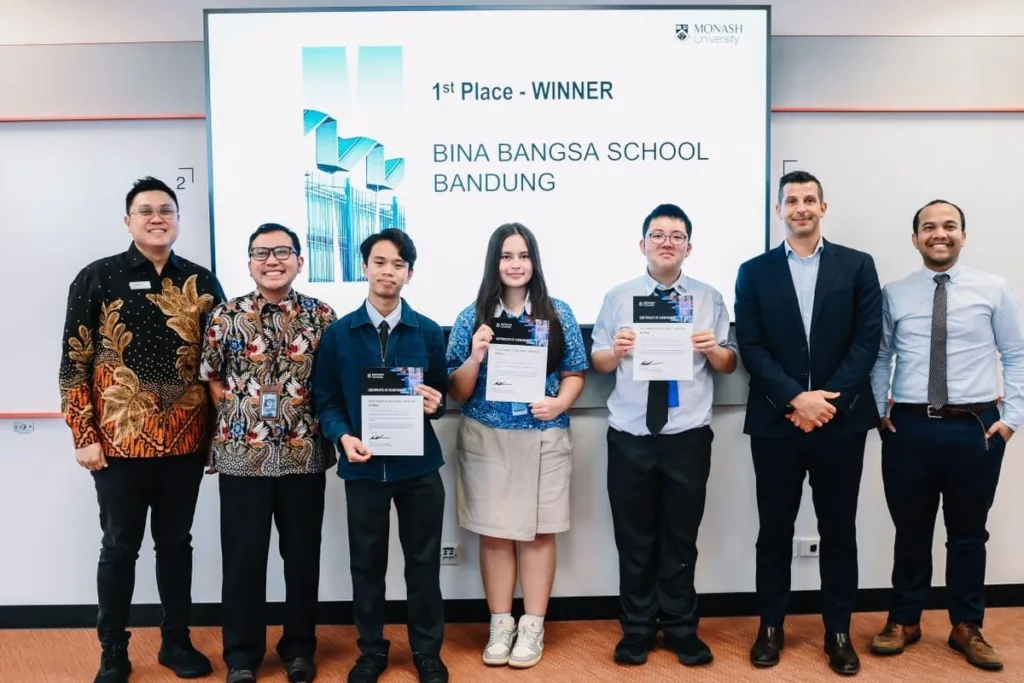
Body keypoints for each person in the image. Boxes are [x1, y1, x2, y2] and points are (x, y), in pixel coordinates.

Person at [58, 176, 225, 683]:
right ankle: (113, 649)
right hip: (117, 442)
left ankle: (176, 642)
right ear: (128, 221)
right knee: (119, 547)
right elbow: (74, 361)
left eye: (166, 210)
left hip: (185, 441)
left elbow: (217, 368)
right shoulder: (97, 277)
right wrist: (83, 434)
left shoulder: (201, 281)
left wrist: (215, 437)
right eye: (146, 211)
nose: (157, 218)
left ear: (178, 220)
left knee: (176, 545)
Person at [734, 170, 882, 676]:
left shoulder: (857, 265)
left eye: (809, 199)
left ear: (823, 207)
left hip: (840, 424)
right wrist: (796, 399)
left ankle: (838, 631)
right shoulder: (753, 271)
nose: (801, 207)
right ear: (779, 210)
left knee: (839, 530)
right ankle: (770, 626)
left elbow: (867, 340)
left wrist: (825, 403)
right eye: (791, 200)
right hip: (777, 423)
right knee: (773, 530)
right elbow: (751, 345)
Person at [868, 200, 1024, 672]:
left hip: (974, 428)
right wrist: (879, 412)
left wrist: (1011, 420)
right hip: (909, 426)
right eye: (930, 227)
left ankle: (967, 625)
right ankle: (904, 619)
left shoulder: (993, 289)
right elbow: (881, 356)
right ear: (915, 238)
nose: (940, 233)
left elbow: (1016, 353)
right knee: (910, 529)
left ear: (963, 235)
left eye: (950, 226)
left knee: (968, 533)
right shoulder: (895, 294)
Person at [590, 203, 737, 667]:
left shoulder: (709, 298)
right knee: (634, 539)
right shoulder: (619, 297)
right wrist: (616, 351)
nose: (667, 242)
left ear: (689, 247)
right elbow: (598, 361)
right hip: (630, 433)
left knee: (680, 537)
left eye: (677, 236)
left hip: (687, 434)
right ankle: (636, 628)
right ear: (643, 244)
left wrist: (714, 350)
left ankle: (680, 628)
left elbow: (729, 362)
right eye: (658, 235)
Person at [199, 223, 337, 683]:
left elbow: (332, 381)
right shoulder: (226, 315)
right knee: (243, 559)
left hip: (303, 455)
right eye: (262, 253)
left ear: (300, 260)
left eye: (282, 252)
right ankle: (242, 656)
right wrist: (240, 417)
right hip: (243, 456)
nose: (272, 260)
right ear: (249, 263)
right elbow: (212, 377)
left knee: (302, 557)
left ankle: (299, 649)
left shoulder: (322, 316)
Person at [446, 223, 587, 669]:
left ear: (534, 262)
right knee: (495, 532)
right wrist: (475, 356)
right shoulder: (472, 317)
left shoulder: (557, 313)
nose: (515, 264)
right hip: (487, 436)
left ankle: (532, 625)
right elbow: (457, 390)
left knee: (540, 532)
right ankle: (501, 622)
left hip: (544, 434)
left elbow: (575, 372)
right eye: (507, 256)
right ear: (495, 263)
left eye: (523, 255)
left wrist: (559, 402)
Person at [312, 229, 450, 683]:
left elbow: (439, 394)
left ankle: (426, 651)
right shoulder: (338, 334)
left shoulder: (428, 331)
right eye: (379, 262)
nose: (388, 271)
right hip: (364, 468)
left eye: (398, 264)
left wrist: (437, 403)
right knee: (366, 565)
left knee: (423, 565)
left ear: (410, 273)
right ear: (364, 267)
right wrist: (342, 437)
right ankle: (371, 650)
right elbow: (326, 400)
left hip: (419, 470)